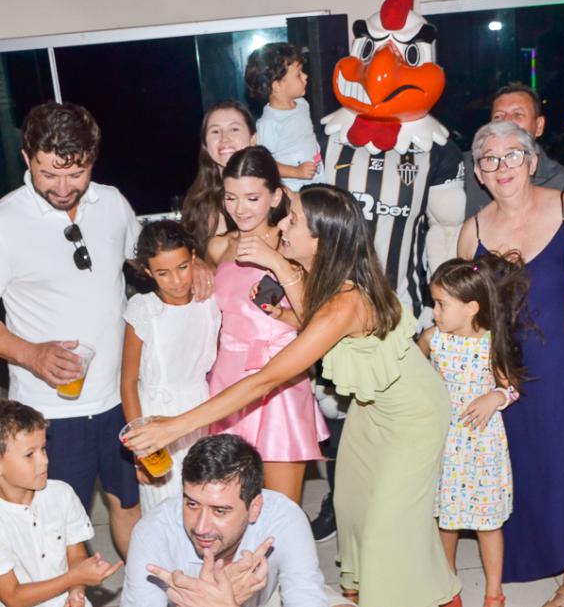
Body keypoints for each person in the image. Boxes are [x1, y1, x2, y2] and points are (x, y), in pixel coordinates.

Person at [124, 183, 462, 607]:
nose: (282, 223)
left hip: (412, 413)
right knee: (352, 510)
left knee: (384, 530)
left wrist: (175, 426)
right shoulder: (325, 275)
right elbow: (311, 315)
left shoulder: (347, 301)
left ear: (320, 238)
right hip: (370, 407)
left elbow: (267, 379)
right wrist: (272, 267)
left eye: (294, 219)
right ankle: (398, 593)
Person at [0, 101, 212, 559]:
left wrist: (195, 265)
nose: (63, 188)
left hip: (119, 399)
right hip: (48, 411)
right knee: (57, 526)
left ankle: (144, 588)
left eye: (76, 173)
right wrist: (29, 353)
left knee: (129, 504)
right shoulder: (5, 221)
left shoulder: (112, 203)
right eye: (48, 173)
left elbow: (146, 260)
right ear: (26, 158)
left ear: (92, 161)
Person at [457, 121, 564, 604]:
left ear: (533, 162)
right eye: (489, 159)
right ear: (479, 173)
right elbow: (468, 313)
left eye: (513, 155)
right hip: (505, 374)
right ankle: (536, 558)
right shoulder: (472, 232)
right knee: (521, 468)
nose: (502, 167)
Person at [206, 146, 327, 504]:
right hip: (227, 379)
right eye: (231, 197)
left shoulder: (293, 244)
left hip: (280, 382)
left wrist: (276, 261)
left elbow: (315, 321)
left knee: (281, 509)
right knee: (228, 505)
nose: (239, 208)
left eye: (252, 198)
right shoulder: (218, 247)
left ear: (275, 196)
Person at [121, 433, 351, 607]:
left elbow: (305, 597)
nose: (200, 527)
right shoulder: (152, 532)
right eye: (192, 504)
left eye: (220, 511)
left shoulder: (285, 517)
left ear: (254, 508)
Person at [419, 253, 529, 607]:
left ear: (471, 307)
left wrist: (495, 396)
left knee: (488, 522)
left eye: (441, 304)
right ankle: (448, 586)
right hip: (444, 441)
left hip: (482, 445)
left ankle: (494, 592)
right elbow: (415, 375)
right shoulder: (433, 339)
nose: (434, 312)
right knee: (446, 520)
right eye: (434, 303)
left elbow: (511, 386)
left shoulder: (491, 342)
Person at [121, 220, 221, 513]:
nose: (176, 281)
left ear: (194, 259)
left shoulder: (209, 302)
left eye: (182, 267)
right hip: (154, 414)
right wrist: (141, 449)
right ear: (148, 272)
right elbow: (128, 382)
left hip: (200, 410)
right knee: (163, 507)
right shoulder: (143, 309)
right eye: (163, 273)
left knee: (204, 501)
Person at [0, 400, 123, 607]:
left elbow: (76, 554)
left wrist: (76, 591)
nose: (44, 460)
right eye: (30, 454)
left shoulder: (61, 493)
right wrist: (75, 578)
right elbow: (13, 597)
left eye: (43, 449)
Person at [464, 82, 564, 218]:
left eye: (518, 115)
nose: (507, 122)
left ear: (539, 126)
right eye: (498, 116)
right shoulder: (467, 169)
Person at [181, 100, 257, 259]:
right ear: (205, 144)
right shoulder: (197, 201)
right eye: (215, 131)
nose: (224, 139)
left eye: (234, 129)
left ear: (253, 139)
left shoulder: (274, 194)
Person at [245, 42, 325, 192]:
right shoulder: (269, 123)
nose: (305, 76)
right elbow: (265, 164)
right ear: (277, 86)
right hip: (293, 189)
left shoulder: (302, 104)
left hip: (317, 179)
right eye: (299, 74)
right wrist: (296, 172)